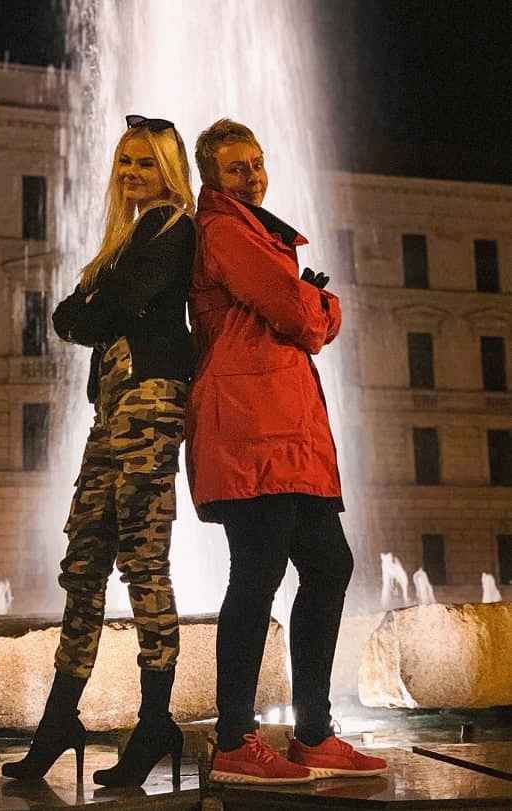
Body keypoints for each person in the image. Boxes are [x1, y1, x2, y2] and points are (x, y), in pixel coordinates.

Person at [186, 119, 388, 784]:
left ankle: (313, 732)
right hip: (251, 429)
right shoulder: (223, 229)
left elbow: (287, 313)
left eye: (257, 163)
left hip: (285, 431)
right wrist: (324, 303)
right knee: (258, 572)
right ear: (213, 179)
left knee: (328, 565)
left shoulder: (251, 231)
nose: (252, 176)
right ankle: (234, 739)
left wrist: (306, 303)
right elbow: (298, 314)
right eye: (236, 168)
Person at [2, 115, 196, 787]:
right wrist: (94, 303)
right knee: (83, 563)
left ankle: (155, 722)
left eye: (145, 161)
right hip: (112, 409)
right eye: (125, 162)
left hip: (151, 402)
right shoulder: (127, 240)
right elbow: (71, 315)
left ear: (168, 170)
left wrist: (94, 302)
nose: (131, 172)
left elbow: (106, 310)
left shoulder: (173, 227)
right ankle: (59, 720)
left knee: (144, 563)